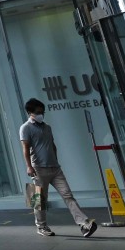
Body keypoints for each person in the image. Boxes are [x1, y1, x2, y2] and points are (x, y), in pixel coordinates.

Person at [20, 98, 98, 238]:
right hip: (38, 169)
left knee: (68, 195)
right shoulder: (25, 128)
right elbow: (25, 148)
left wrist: (55, 160)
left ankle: (84, 224)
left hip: (55, 169)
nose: (41, 114)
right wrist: (28, 167)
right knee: (38, 200)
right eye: (38, 112)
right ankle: (41, 227)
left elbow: (52, 145)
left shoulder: (47, 127)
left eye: (43, 112)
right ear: (30, 112)